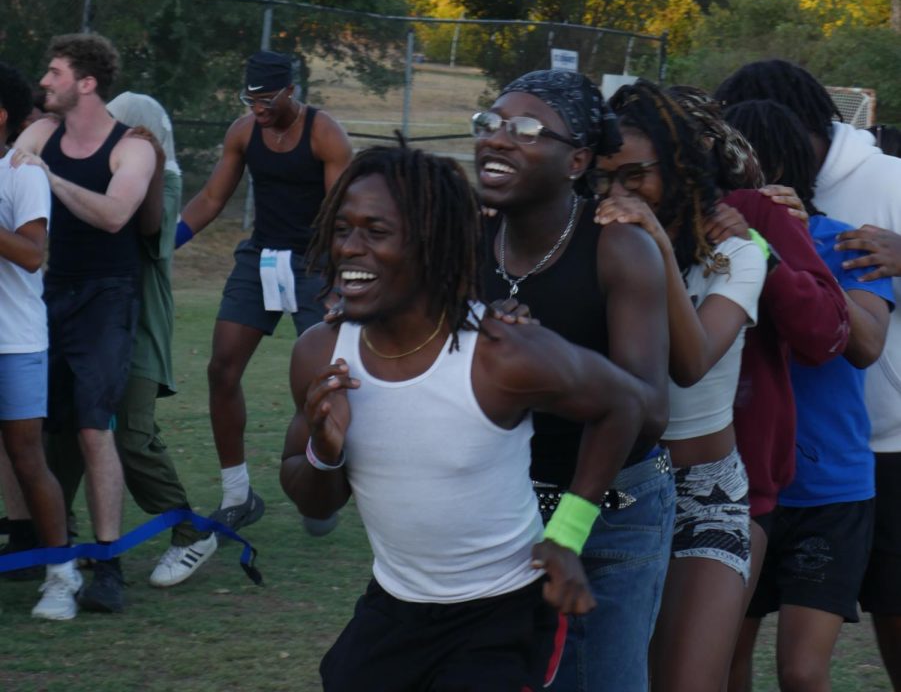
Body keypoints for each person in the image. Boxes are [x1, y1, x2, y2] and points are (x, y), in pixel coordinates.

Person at [280, 144, 651, 692]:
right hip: (395, 609)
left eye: (375, 232)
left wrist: (568, 535)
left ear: (430, 243)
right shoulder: (322, 354)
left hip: (500, 617)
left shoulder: (499, 354)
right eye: (342, 229)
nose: (349, 250)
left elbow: (624, 404)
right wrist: (324, 451)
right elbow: (313, 499)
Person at [474, 69, 673, 692]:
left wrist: (548, 361)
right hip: (503, 507)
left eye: (527, 130)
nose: (499, 139)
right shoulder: (468, 237)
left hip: (613, 512)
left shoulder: (618, 250)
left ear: (577, 160)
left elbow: (651, 411)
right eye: (491, 123)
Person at [716, 59, 901, 690]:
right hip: (737, 480)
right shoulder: (707, 242)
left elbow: (861, 343)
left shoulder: (846, 234)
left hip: (836, 481)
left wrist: (784, 246)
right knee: (722, 657)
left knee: (803, 670)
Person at [593, 79, 766, 692]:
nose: (618, 193)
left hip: (706, 492)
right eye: (604, 177)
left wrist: (658, 246)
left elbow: (691, 361)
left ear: (681, 168)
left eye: (635, 175)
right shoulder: (589, 248)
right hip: (616, 491)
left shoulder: (736, 256)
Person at [668, 84, 850, 656]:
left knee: (710, 661)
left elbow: (828, 332)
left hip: (730, 480)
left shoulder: (748, 215)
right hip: (616, 476)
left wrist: (763, 246)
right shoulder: (599, 211)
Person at [47, 93, 218, 588]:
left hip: (138, 323)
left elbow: (147, 233)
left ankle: (190, 533)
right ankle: (57, 536)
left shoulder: (158, 179)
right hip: (88, 318)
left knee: (130, 434)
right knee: (64, 428)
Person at [176, 50, 352, 530]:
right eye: (249, 98)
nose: (257, 108)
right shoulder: (243, 132)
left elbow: (342, 217)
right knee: (222, 368)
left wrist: (337, 283)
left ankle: (320, 489)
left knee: (320, 383)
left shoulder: (324, 134)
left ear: (290, 92)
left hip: (316, 263)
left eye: (266, 99)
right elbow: (212, 198)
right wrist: (165, 243)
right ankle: (238, 494)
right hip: (261, 259)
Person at [13, 34, 156, 614]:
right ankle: (40, 546)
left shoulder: (133, 148)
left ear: (87, 83)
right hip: (45, 294)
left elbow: (116, 215)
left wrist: (51, 178)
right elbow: (8, 170)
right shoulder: (41, 132)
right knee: (27, 426)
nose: (44, 82)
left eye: (54, 73)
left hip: (107, 297)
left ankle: (108, 565)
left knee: (95, 429)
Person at [0, 60, 81, 621]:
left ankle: (61, 575)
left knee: (28, 458)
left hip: (15, 342)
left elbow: (33, 253)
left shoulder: (21, 172)